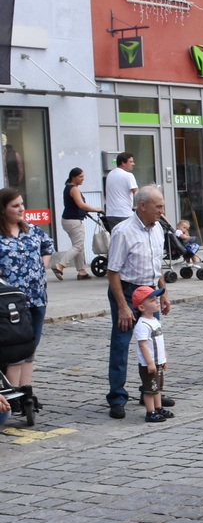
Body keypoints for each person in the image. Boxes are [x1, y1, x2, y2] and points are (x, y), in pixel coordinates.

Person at [106, 185, 170, 419]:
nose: (162, 211)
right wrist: (123, 306)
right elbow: (112, 271)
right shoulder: (123, 231)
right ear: (142, 205)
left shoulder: (158, 229)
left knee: (153, 344)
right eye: (158, 206)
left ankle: (151, 392)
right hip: (127, 291)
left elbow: (157, 265)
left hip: (150, 291)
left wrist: (163, 292)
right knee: (121, 344)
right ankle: (117, 397)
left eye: (162, 206)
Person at [0, 189, 57, 419]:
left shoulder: (31, 229)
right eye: (15, 205)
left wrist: (42, 265)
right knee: (15, 347)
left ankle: (25, 391)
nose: (21, 209)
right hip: (10, 302)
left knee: (30, 346)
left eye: (22, 204)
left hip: (36, 297)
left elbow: (48, 247)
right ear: (3, 209)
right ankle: (11, 394)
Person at [131, 285, 170, 424]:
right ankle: (150, 412)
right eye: (152, 300)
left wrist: (163, 357)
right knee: (149, 389)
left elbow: (160, 341)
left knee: (157, 387)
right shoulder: (142, 324)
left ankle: (158, 408)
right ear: (142, 307)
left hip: (158, 361)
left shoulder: (154, 321)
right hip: (149, 363)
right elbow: (143, 345)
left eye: (156, 299)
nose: (157, 302)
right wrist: (149, 362)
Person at [58, 168, 100, 279]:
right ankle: (60, 265)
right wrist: (96, 209)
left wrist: (84, 212)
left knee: (79, 246)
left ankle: (82, 271)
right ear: (73, 177)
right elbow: (81, 205)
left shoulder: (68, 187)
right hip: (73, 221)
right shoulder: (74, 189)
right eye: (80, 176)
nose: (83, 179)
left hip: (68, 220)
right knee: (78, 245)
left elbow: (75, 205)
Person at [104, 153, 137, 228]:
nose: (133, 164)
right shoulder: (128, 175)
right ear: (123, 163)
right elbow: (137, 193)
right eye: (131, 162)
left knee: (116, 234)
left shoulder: (110, 174)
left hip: (111, 213)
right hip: (124, 213)